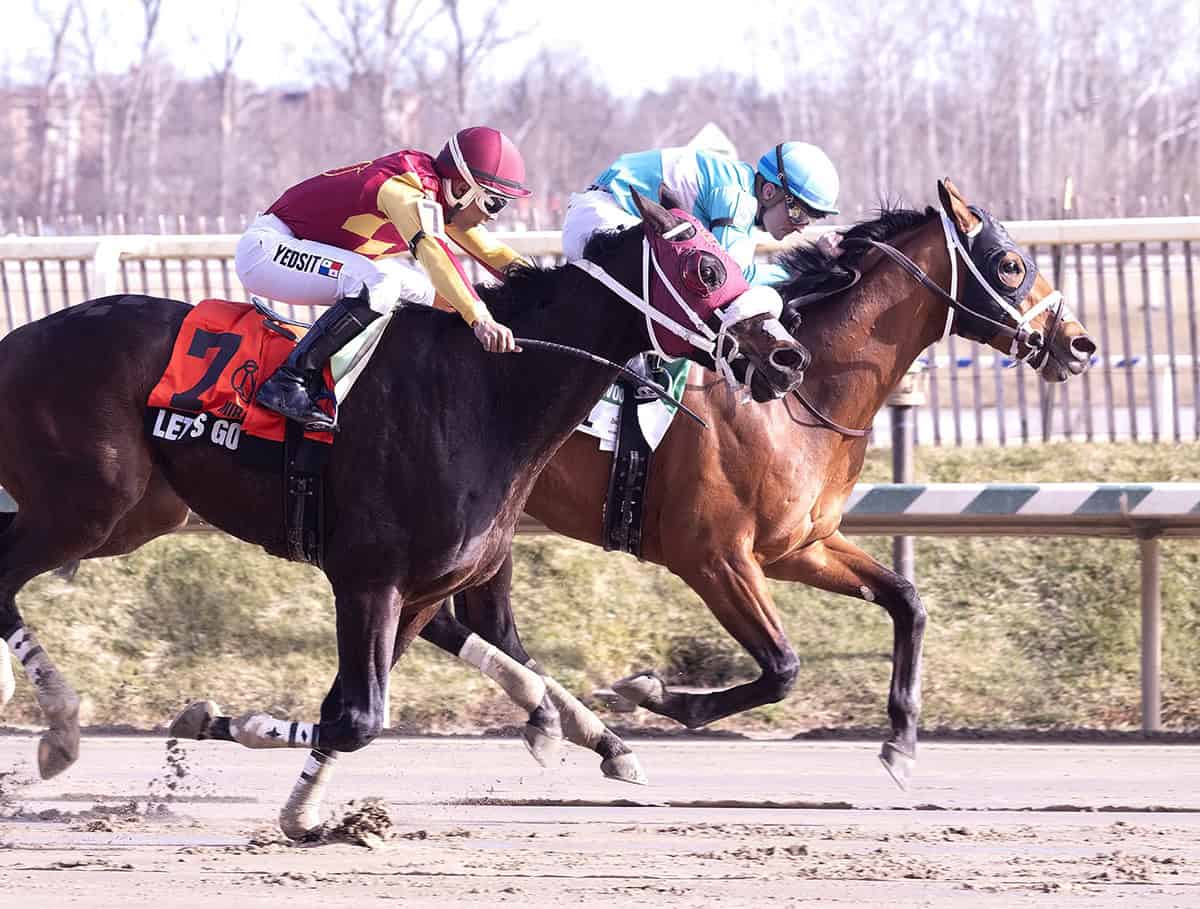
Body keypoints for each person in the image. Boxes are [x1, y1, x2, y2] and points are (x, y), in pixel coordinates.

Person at [235, 126, 531, 432]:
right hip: (267, 250)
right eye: (493, 202)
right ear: (460, 187)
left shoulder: (442, 200)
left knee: (445, 298)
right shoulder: (403, 191)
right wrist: (480, 318)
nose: (495, 215)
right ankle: (290, 380)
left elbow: (494, 253)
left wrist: (548, 283)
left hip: (297, 248)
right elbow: (433, 253)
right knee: (380, 283)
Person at [561, 142, 842, 287]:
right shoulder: (738, 199)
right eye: (797, 212)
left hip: (601, 215)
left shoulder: (739, 186)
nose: (801, 226)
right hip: (603, 219)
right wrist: (807, 265)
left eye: (810, 219)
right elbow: (736, 277)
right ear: (769, 191)